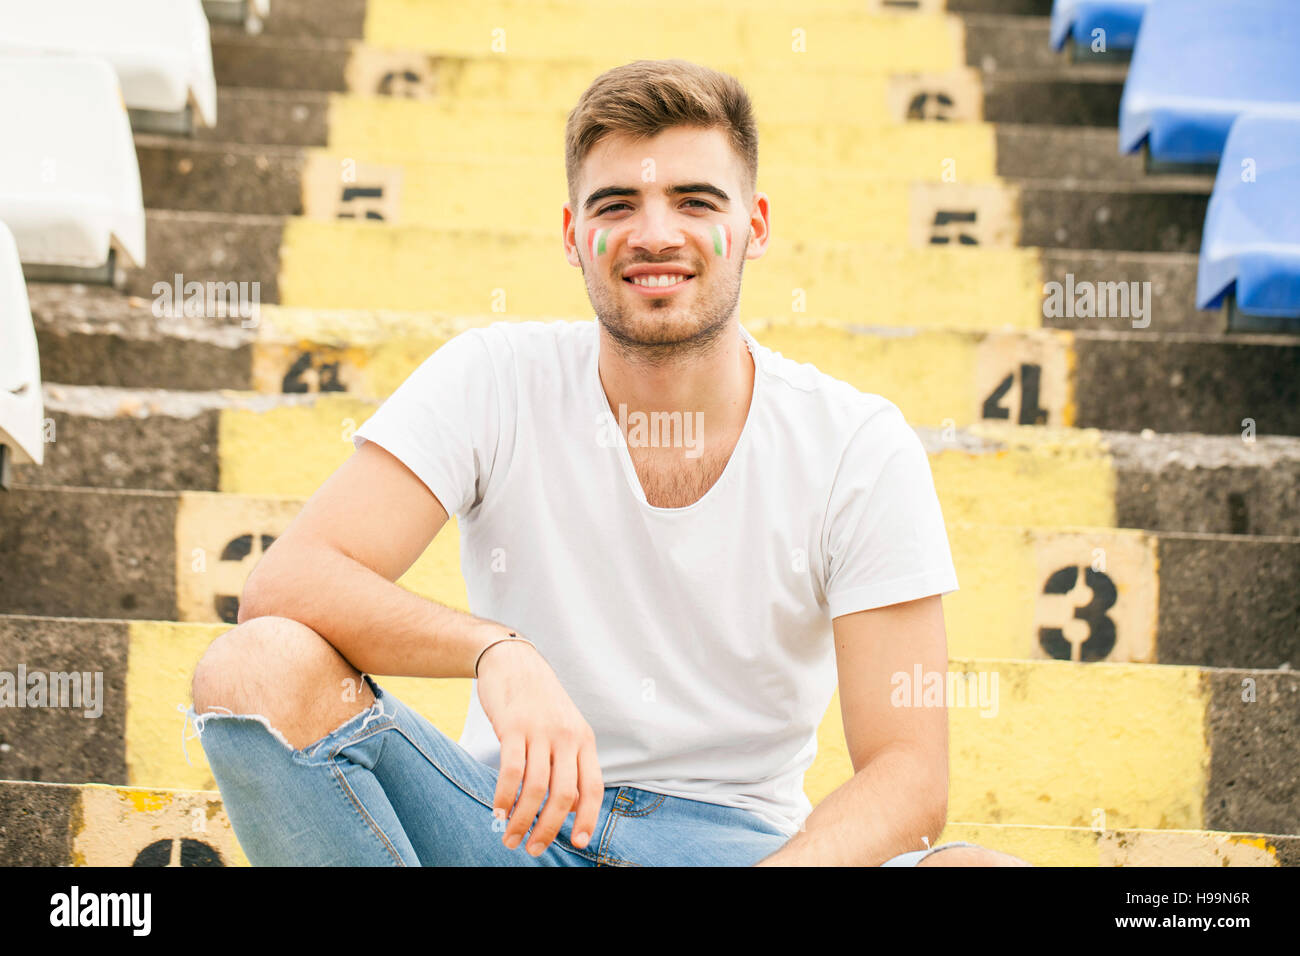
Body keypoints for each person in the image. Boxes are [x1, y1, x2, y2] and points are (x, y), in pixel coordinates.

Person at [189, 59, 1029, 867]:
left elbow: (910, 774)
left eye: (695, 201)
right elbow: (286, 585)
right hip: (508, 829)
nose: (654, 233)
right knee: (253, 668)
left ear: (755, 227)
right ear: (572, 234)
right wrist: (497, 651)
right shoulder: (494, 378)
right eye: (617, 203)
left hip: (742, 848)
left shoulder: (856, 445)